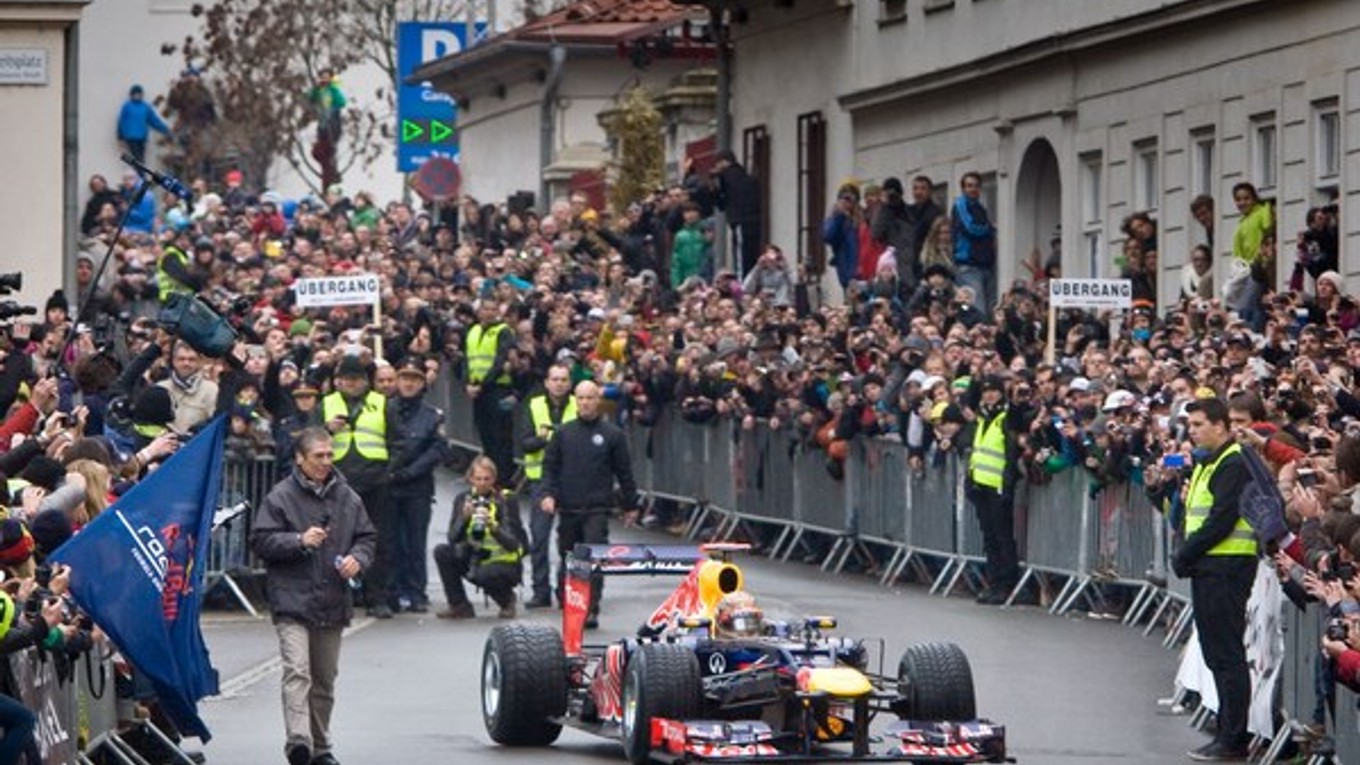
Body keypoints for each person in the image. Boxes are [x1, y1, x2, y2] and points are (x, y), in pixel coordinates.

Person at [251, 427, 376, 765]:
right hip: (292, 599)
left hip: (332, 599)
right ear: (300, 459)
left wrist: (358, 560)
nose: (325, 462)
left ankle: (321, 747)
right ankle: (299, 742)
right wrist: (298, 541)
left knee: (323, 679)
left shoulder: (347, 497)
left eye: (329, 455)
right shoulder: (280, 497)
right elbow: (261, 540)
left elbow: (367, 538)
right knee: (298, 671)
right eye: (318, 456)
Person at [1172, 397, 1255, 762]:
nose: (1192, 432)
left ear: (1220, 425)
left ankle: (1233, 738)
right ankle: (1227, 732)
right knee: (1216, 654)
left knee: (1227, 655)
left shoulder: (1233, 462)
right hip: (1210, 567)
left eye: (1199, 424)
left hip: (1226, 567)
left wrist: (1185, 554)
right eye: (1190, 425)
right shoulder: (1210, 463)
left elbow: (1221, 520)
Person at [540, 380, 640, 629]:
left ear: (598, 401)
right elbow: (550, 468)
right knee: (570, 557)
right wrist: (547, 494)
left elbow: (624, 472)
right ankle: (568, 602)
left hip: (597, 508)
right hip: (569, 506)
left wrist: (631, 505)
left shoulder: (612, 435)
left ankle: (591, 607)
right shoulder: (563, 433)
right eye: (581, 398)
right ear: (576, 400)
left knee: (594, 558)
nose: (585, 403)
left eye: (590, 398)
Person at [319, 355, 395, 618]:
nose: (352, 384)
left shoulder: (381, 403)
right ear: (338, 381)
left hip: (375, 481)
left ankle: (377, 597)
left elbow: (397, 440)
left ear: (365, 381)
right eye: (347, 379)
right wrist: (326, 428)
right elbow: (309, 439)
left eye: (357, 379)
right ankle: (341, 597)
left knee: (377, 540)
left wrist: (389, 472)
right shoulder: (327, 404)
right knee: (337, 541)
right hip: (339, 482)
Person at [386, 358, 446, 613]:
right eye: (405, 378)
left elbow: (437, 450)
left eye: (414, 379)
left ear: (422, 383)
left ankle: (416, 592)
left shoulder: (432, 416)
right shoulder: (385, 409)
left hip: (418, 487)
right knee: (392, 542)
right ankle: (395, 590)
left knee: (415, 541)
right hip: (390, 485)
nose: (409, 383)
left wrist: (409, 472)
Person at [432, 456, 526, 619]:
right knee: (442, 552)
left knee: (484, 574)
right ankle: (459, 605)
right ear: (470, 479)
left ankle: (506, 601)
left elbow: (514, 543)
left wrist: (494, 527)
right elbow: (453, 537)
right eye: (478, 479)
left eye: (486, 479)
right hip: (475, 555)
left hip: (503, 561)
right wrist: (464, 518)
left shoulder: (505, 500)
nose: (482, 483)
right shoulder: (463, 499)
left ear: (494, 479)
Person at [517, 363, 576, 609]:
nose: (559, 384)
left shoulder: (578, 404)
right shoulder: (534, 406)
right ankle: (540, 591)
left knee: (568, 541)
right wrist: (546, 439)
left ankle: (566, 590)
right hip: (540, 479)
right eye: (555, 379)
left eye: (564, 379)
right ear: (547, 382)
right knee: (539, 537)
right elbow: (524, 442)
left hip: (571, 479)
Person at [966, 375, 1020, 605]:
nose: (989, 395)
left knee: (1002, 537)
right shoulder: (982, 419)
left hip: (998, 486)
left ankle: (1007, 585)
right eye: (985, 391)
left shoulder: (1004, 418)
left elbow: (1010, 453)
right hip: (980, 485)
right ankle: (994, 582)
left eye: (994, 391)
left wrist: (1006, 485)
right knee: (989, 537)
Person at [463, 300, 517, 482]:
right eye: (486, 309)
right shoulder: (473, 331)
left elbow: (501, 361)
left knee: (500, 438)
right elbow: (466, 360)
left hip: (497, 389)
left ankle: (503, 480)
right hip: (478, 391)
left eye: (494, 309)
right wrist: (467, 384)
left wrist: (481, 385)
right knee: (486, 436)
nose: (490, 312)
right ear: (479, 311)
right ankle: (488, 478)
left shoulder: (503, 331)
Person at [951, 171, 997, 314]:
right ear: (963, 189)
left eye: (976, 186)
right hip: (968, 265)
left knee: (990, 307)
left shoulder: (979, 207)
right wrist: (989, 228)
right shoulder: (960, 205)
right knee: (976, 307)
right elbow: (970, 228)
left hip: (985, 265)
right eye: (969, 186)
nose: (973, 189)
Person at [156, 340, 219, 434]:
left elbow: (214, 424)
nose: (186, 363)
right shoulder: (161, 388)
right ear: (173, 361)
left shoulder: (211, 390)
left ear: (199, 362)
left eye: (191, 359)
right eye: (181, 359)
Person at [116, 84, 172, 162]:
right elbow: (121, 122)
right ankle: (141, 173)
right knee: (137, 158)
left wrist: (166, 130)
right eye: (135, 94)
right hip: (131, 137)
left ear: (142, 94)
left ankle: (141, 173)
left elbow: (154, 120)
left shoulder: (145, 106)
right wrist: (120, 137)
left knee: (141, 159)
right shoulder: (127, 106)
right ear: (131, 95)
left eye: (139, 94)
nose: (137, 96)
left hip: (142, 137)